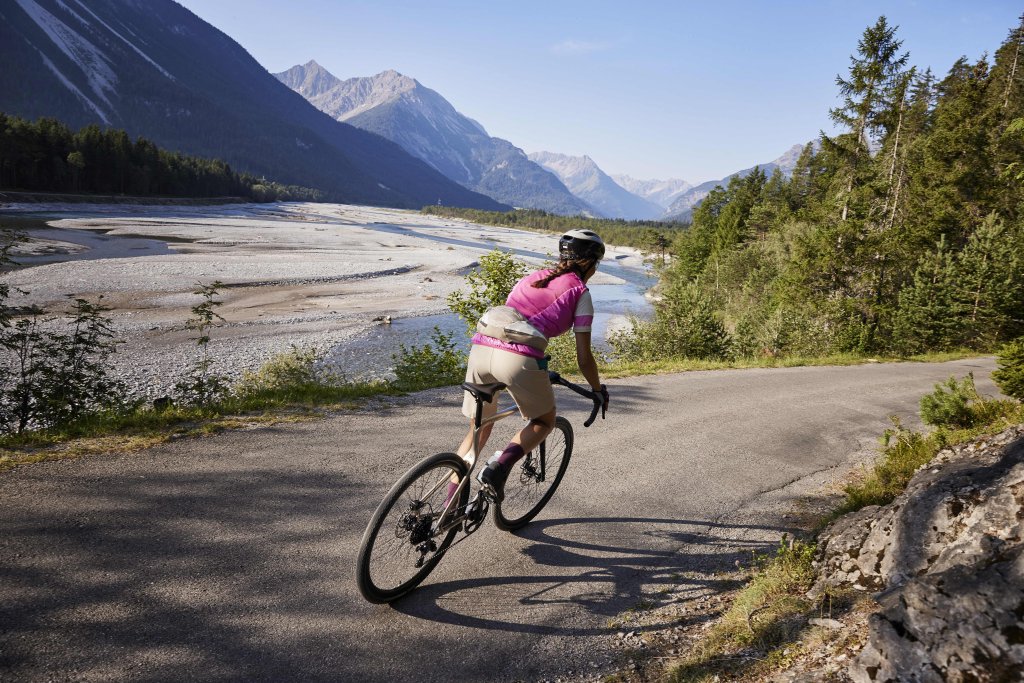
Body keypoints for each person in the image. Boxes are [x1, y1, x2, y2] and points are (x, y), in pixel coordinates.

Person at [452, 229, 611, 503]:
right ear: (589, 264)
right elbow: (584, 358)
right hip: (518, 359)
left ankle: (448, 507)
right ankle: (498, 467)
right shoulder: (580, 293)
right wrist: (598, 390)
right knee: (544, 420)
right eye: (596, 265)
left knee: (479, 428)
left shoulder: (531, 278)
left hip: (481, 347)